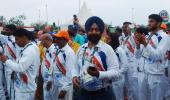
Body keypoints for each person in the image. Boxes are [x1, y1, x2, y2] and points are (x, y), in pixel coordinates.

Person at [72, 16, 120, 100]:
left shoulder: (107, 49)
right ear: (87, 31)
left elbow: (116, 73)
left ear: (101, 32)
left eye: (97, 30)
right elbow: (75, 67)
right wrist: (75, 76)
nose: (94, 32)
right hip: (83, 94)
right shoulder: (81, 48)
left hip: (103, 94)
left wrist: (99, 74)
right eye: (91, 30)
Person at [135, 14, 169, 100]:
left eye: (151, 21)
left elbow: (158, 56)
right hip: (144, 73)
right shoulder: (147, 36)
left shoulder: (164, 37)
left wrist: (145, 43)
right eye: (148, 21)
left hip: (156, 75)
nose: (149, 23)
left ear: (158, 23)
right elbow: (138, 56)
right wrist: (138, 46)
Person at [0, 28, 40, 100]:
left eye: (17, 39)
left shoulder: (30, 50)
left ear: (24, 38)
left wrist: (6, 61)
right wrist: (14, 72)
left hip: (25, 91)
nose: (15, 42)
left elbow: (20, 68)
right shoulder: (28, 48)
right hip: (24, 88)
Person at [53, 30, 76, 100]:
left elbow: (70, 72)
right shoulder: (58, 50)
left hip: (64, 87)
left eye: (59, 39)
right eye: (56, 38)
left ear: (65, 40)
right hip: (57, 85)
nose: (56, 40)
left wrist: (64, 89)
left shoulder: (69, 53)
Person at [107, 32, 128, 100]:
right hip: (109, 80)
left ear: (113, 40)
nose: (107, 40)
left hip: (117, 80)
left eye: (109, 39)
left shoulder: (120, 50)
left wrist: (116, 74)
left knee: (118, 98)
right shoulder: (109, 50)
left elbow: (125, 66)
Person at [120, 22, 138, 100]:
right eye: (123, 27)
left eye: (126, 27)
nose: (124, 28)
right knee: (125, 84)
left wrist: (131, 32)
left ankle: (133, 98)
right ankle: (129, 97)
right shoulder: (120, 38)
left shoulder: (134, 37)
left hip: (132, 63)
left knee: (132, 84)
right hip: (124, 63)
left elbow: (135, 44)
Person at [0, 24, 17, 100]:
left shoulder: (15, 40)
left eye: (7, 30)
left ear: (13, 31)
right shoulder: (7, 39)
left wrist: (14, 70)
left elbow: (18, 56)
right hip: (6, 67)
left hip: (13, 68)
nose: (5, 31)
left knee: (12, 89)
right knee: (7, 88)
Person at [40, 33, 57, 100]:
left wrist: (50, 79)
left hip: (51, 82)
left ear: (47, 40)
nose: (41, 42)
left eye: (42, 40)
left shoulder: (54, 50)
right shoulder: (46, 50)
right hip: (45, 80)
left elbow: (53, 66)